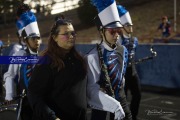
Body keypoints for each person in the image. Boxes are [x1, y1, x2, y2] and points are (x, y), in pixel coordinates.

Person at [27, 15, 87, 120]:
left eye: (73, 33)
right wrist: (52, 117)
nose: (71, 36)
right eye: (66, 34)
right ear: (55, 38)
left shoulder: (79, 60)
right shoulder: (45, 61)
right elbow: (34, 95)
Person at [86, 0, 132, 120]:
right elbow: (91, 90)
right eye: (112, 31)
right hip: (101, 105)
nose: (116, 34)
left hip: (121, 101)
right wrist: (113, 105)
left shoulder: (123, 50)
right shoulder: (92, 56)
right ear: (102, 31)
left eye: (118, 30)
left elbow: (122, 76)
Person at [3, 3, 41, 120]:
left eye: (38, 37)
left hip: (42, 105)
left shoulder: (45, 56)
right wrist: (9, 94)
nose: (37, 41)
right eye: (33, 38)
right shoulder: (19, 55)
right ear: (25, 39)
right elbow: (9, 75)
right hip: (25, 104)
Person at [117, 5, 141, 120]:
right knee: (122, 98)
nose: (130, 27)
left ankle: (133, 116)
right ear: (121, 27)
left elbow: (133, 53)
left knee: (138, 95)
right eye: (127, 25)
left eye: (130, 25)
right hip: (122, 73)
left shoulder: (135, 40)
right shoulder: (118, 40)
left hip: (132, 71)